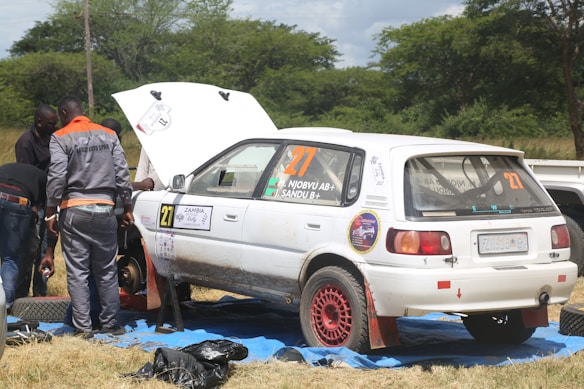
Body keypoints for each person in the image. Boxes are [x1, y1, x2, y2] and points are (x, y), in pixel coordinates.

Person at [43, 96, 134, 337]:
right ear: (83, 111)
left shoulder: (60, 137)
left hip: (75, 211)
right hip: (105, 209)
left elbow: (56, 177)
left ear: (64, 113)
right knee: (106, 270)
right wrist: (127, 205)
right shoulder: (108, 134)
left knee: (78, 272)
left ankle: (83, 328)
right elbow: (122, 173)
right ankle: (111, 324)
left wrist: (50, 214)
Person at [14, 104, 58, 298]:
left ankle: (41, 293)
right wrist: (32, 207)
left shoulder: (54, 139)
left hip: (50, 200)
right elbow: (25, 178)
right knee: (29, 249)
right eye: (51, 123)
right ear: (39, 123)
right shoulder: (25, 142)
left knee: (45, 249)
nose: (55, 126)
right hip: (33, 203)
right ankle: (21, 296)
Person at [0, 163, 48, 311]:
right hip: (18, 202)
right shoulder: (44, 180)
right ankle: (6, 306)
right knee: (10, 258)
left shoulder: (6, 167)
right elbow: (39, 211)